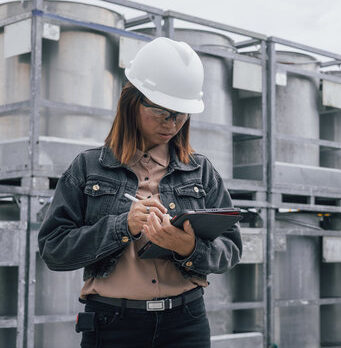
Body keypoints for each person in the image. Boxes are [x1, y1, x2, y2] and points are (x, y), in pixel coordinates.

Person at [38, 37, 242, 348]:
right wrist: (123, 226)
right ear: (133, 102)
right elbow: (54, 250)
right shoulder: (87, 168)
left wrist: (189, 247)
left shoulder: (200, 171)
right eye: (162, 112)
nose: (172, 123)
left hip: (185, 323)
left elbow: (232, 247)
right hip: (113, 326)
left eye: (181, 113)